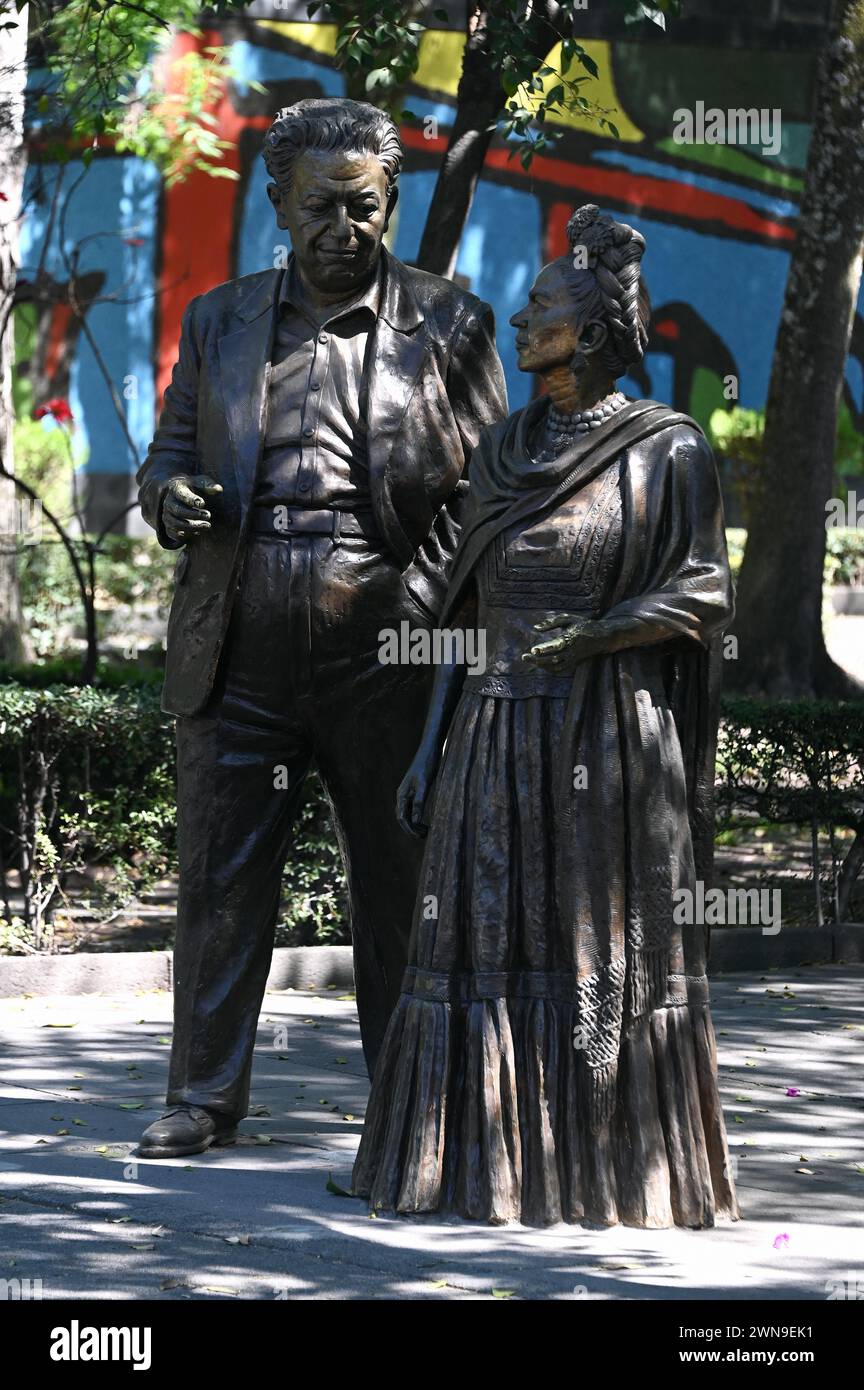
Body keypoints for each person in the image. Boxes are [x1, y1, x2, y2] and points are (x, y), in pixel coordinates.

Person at [352, 204, 740, 1228]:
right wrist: (429, 750)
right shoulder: (501, 450)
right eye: (527, 308)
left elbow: (705, 592)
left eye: (543, 311)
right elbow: (469, 612)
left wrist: (601, 634)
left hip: (609, 735)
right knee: (479, 944)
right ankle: (474, 1163)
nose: (522, 322)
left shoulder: (669, 450)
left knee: (595, 947)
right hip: (495, 731)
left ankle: (609, 1171)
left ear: (595, 330)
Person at [135, 98, 507, 1159]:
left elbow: (489, 493)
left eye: (365, 207)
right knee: (219, 876)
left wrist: (428, 601)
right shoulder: (220, 320)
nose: (344, 229)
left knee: (398, 875)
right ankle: (202, 1095)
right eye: (320, 209)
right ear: (280, 206)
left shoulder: (450, 323)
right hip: (239, 631)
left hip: (383, 636)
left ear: (392, 202)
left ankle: (408, 1091)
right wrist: (171, 500)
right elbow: (167, 456)